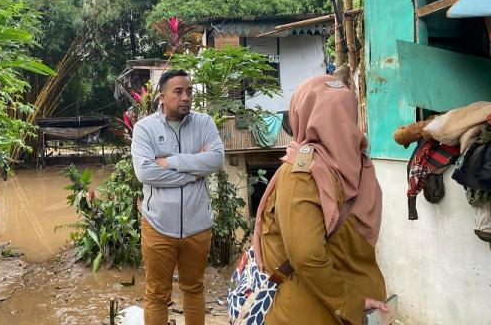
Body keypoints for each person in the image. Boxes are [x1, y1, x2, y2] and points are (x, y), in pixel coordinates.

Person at [254, 75, 388, 324]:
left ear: (301, 114)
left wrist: (351, 302)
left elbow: (306, 256)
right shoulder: (362, 165)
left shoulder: (302, 173)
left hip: (314, 308)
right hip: (366, 294)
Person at [131, 69, 225, 325]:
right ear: (162, 97)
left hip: (198, 226)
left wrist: (169, 162)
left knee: (194, 288)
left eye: (189, 91)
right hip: (158, 226)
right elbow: (145, 172)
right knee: (157, 293)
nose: (186, 97)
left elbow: (216, 159)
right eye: (178, 91)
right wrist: (194, 171)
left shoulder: (204, 123)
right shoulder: (144, 129)